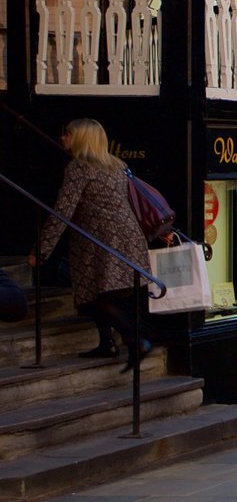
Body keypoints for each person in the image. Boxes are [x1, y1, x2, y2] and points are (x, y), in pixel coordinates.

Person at [30, 120, 152, 371]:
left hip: (101, 241)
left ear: (81, 139)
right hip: (127, 237)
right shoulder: (118, 165)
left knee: (97, 297)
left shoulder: (79, 168)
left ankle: (135, 340)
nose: (62, 138)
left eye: (67, 134)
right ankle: (107, 343)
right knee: (103, 292)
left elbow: (62, 211)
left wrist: (41, 251)